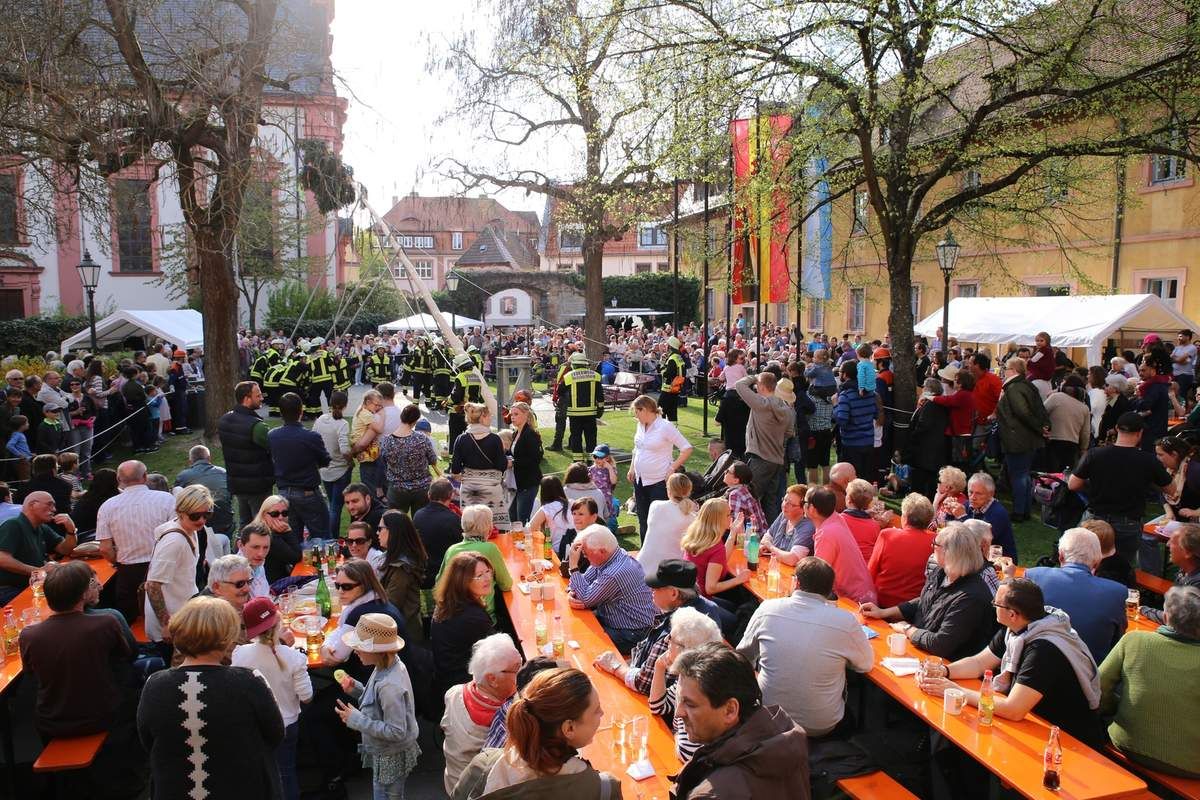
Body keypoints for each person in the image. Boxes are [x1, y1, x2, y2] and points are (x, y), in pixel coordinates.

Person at [916, 578, 1106, 750]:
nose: (993, 605)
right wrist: (944, 671)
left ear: (1013, 614)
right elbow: (979, 663)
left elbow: (1014, 709)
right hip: (1034, 722)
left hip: (1067, 740)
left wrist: (955, 691)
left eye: (996, 603)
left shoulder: (1043, 650)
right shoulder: (1019, 628)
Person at [138, 596, 284, 799]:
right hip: (244, 787)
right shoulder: (249, 681)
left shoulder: (154, 685)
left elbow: (147, 740)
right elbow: (275, 734)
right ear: (227, 637)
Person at [738, 556, 873, 738]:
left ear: (796, 582)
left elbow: (742, 657)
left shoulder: (767, 608)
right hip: (821, 726)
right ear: (830, 591)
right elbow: (865, 664)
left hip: (770, 716)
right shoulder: (845, 621)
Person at [671, 642, 811, 800]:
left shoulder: (712, 794)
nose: (678, 713)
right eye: (679, 700)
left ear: (730, 710)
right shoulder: (782, 739)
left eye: (690, 704)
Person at [19, 560, 133, 737]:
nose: (99, 587)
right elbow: (128, 655)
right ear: (84, 594)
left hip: (50, 723)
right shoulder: (106, 622)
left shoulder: (28, 635)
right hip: (104, 717)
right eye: (93, 584)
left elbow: (31, 674)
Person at [1099, 586, 1200, 778]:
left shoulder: (1134, 640)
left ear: (1166, 617)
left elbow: (1098, 687)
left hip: (1127, 744)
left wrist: (1117, 709)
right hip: (1191, 764)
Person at [593, 559, 733, 693]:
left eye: (656, 588)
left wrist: (615, 666)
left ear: (673, 593)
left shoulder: (677, 630)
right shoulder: (705, 607)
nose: (651, 591)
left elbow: (644, 684)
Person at [860, 522, 994, 660]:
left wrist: (907, 629)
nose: (932, 547)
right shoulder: (942, 573)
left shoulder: (970, 597)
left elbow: (940, 644)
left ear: (949, 553)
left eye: (935, 544)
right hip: (919, 651)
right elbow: (925, 600)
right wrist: (883, 612)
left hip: (943, 664)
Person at [478, 668, 619, 798]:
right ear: (569, 728)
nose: (602, 713)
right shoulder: (602, 790)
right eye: (596, 710)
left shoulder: (482, 767)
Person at [333, 613, 423, 800]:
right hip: (385, 752)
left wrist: (357, 720)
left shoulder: (389, 685)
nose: (355, 651)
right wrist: (357, 689)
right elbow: (377, 702)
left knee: (387, 795)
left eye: (359, 647)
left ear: (378, 651)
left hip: (391, 755)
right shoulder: (388, 666)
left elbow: (396, 732)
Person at [232, 597, 313, 800]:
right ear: (279, 623)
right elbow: (307, 697)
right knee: (286, 772)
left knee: (261, 774)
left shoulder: (239, 654)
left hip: (255, 725)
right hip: (286, 724)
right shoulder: (295, 658)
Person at [1069, 412, 1171, 566]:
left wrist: (1091, 486)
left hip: (1095, 517)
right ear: (1140, 433)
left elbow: (1073, 484)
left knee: (1085, 562)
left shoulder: (1095, 454)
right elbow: (1171, 489)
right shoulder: (1148, 460)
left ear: (1117, 428)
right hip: (1128, 522)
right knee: (1120, 567)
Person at [1026, 527, 1127, 663]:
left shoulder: (1034, 576)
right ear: (1097, 562)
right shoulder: (1117, 592)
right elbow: (1117, 641)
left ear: (1060, 556)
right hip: (1090, 671)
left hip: (1034, 664)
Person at [441, 633, 523, 794]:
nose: (522, 672)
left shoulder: (454, 693)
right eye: (517, 668)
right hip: (475, 792)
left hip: (452, 782)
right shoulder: (507, 715)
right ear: (492, 679)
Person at [645, 608, 725, 762]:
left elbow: (687, 754)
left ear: (685, 650)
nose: (666, 641)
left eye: (671, 638)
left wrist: (674, 733)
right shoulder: (686, 676)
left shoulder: (697, 688)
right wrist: (659, 666)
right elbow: (658, 706)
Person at [567, 524, 656, 652]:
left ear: (602, 551)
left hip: (631, 634)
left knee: (582, 639)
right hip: (615, 621)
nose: (584, 556)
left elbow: (585, 599)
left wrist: (573, 567)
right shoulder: (611, 556)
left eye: (586, 553)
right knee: (576, 625)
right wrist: (571, 593)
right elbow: (582, 584)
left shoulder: (614, 573)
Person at [144, 486, 212, 645]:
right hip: (171, 626)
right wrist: (166, 624)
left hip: (183, 616)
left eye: (207, 514)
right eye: (195, 516)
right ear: (180, 512)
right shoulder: (174, 541)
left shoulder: (191, 529)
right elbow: (152, 585)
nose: (201, 520)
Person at [321, 559, 407, 674]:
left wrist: (323, 647)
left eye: (347, 586)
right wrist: (327, 643)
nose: (340, 591)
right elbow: (340, 630)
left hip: (378, 678)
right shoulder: (378, 600)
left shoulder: (360, 614)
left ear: (364, 585)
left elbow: (336, 656)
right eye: (337, 585)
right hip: (401, 670)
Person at [267, 392, 331, 541]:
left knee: (292, 537)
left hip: (284, 492)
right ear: (301, 411)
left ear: (281, 413)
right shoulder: (311, 437)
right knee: (321, 536)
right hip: (307, 492)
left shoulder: (272, 436)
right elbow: (325, 460)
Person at [628, 395, 693, 538]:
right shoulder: (640, 425)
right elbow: (637, 448)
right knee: (643, 519)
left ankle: (660, 549)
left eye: (637, 412)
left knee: (658, 521)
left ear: (645, 410)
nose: (635, 416)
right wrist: (632, 468)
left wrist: (672, 468)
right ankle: (645, 549)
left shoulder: (665, 426)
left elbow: (687, 448)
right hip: (640, 480)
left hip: (658, 482)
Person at [432, 552, 498, 692]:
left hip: (445, 678)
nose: (487, 578)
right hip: (465, 687)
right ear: (462, 581)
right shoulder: (473, 618)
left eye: (488, 571)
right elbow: (498, 655)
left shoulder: (446, 604)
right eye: (479, 575)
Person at [734, 371, 794, 522]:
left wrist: (756, 376)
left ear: (761, 386)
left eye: (757, 385)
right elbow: (789, 433)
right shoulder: (787, 409)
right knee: (770, 501)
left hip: (760, 458)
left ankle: (748, 530)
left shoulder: (761, 404)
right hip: (777, 460)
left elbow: (739, 385)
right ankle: (771, 532)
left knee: (748, 498)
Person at [437, 505, 514, 622]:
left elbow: (439, 581)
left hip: (453, 613)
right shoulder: (490, 548)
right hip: (483, 615)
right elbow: (506, 584)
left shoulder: (452, 549)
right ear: (488, 527)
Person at [995, 357, 1049, 522]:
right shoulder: (1027, 386)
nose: (1004, 371)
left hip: (1018, 438)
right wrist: (1044, 427)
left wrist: (1040, 428)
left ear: (1013, 370)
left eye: (1006, 368)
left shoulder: (1014, 388)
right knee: (1023, 475)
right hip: (1027, 438)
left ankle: (1019, 511)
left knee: (1019, 476)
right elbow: (1039, 410)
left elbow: (1023, 412)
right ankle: (1024, 510)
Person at [0, 491, 78, 604]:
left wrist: (71, 529)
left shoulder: (41, 527)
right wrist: (39, 571)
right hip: (11, 590)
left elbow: (65, 550)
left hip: (33, 587)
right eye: (49, 504)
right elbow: (2, 559)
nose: (54, 509)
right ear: (32, 505)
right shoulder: (13, 525)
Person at [217, 381, 276, 527]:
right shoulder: (256, 426)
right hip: (258, 485)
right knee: (262, 525)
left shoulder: (224, 421)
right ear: (246, 398)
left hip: (237, 483)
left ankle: (244, 542)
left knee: (245, 523)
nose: (262, 398)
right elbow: (273, 448)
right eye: (258, 395)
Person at [805, 486, 877, 604]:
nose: (802, 505)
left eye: (804, 502)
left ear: (812, 509)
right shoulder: (836, 519)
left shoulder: (827, 534)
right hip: (864, 595)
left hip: (855, 603)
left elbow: (817, 577)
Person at [868, 493, 938, 608]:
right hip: (914, 606)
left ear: (904, 517)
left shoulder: (887, 535)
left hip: (884, 603)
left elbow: (871, 572)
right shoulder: (936, 541)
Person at [413, 478, 465, 617]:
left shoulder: (418, 515)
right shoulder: (454, 519)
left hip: (423, 573)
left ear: (429, 495)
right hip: (446, 576)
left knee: (429, 613)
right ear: (451, 496)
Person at [451, 403, 509, 526]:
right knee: (494, 527)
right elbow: (501, 466)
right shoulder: (495, 439)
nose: (491, 417)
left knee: (471, 526)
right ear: (482, 417)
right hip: (492, 489)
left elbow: (455, 468)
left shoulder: (461, 439)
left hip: (469, 491)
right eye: (489, 415)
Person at [380, 403, 439, 517]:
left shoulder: (386, 441)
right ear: (415, 421)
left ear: (401, 417)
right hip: (422, 488)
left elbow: (383, 462)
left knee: (395, 522)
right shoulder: (422, 439)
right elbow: (433, 460)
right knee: (420, 523)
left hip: (397, 489)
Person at [378, 510, 428, 644]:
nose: (377, 533)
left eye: (380, 528)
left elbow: (390, 605)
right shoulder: (393, 559)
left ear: (393, 531)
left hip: (402, 637)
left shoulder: (402, 568)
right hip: (398, 631)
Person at [637, 473, 697, 577]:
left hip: (644, 566)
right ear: (689, 491)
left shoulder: (655, 506)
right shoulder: (692, 518)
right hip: (670, 571)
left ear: (668, 490)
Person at [1141, 525, 1200, 624]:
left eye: (1172, 542)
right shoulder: (1185, 571)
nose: (1167, 544)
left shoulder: (1196, 584)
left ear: (1187, 553)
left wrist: (1142, 610)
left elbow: (1177, 620)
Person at [314, 390, 354, 536]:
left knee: (332, 506)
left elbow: (314, 439)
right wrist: (351, 462)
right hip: (340, 470)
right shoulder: (342, 424)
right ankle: (333, 538)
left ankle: (330, 537)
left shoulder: (320, 419)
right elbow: (344, 450)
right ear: (345, 405)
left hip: (325, 470)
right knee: (336, 508)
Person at [904, 379, 950, 499]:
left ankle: (917, 501)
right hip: (933, 449)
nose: (922, 388)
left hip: (925, 450)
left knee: (920, 480)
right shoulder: (939, 403)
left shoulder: (931, 404)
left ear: (930, 389)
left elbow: (923, 425)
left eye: (924, 386)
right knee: (929, 481)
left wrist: (913, 436)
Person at [174, 445, 233, 536]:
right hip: (225, 523)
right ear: (209, 458)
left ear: (190, 461)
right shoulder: (223, 472)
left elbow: (178, 500)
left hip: (198, 525)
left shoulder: (183, 476)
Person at [761, 483, 816, 566]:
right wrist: (762, 548)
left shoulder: (808, 526)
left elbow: (793, 559)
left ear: (803, 509)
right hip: (776, 568)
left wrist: (770, 547)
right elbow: (765, 539)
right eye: (785, 500)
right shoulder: (784, 515)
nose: (785, 505)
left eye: (791, 504)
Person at [251, 495, 303, 582]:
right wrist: (288, 532)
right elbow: (296, 558)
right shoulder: (266, 535)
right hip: (273, 584)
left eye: (284, 513)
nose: (280, 517)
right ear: (264, 515)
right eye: (274, 514)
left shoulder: (268, 529)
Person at [507, 401, 543, 524]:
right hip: (517, 483)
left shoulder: (531, 434)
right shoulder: (515, 433)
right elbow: (514, 453)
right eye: (511, 414)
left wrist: (513, 463)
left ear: (526, 415)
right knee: (512, 516)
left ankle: (524, 537)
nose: (512, 417)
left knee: (521, 519)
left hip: (528, 483)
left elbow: (535, 459)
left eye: (516, 414)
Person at [1043, 385, 1092, 471]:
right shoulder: (1084, 408)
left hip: (1052, 440)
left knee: (1050, 472)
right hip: (1072, 444)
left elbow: (1041, 412)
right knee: (1066, 473)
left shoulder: (1056, 397)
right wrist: (1083, 449)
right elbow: (1085, 432)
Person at [842, 478, 882, 562]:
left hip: (846, 563)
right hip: (867, 565)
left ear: (848, 500)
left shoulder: (840, 520)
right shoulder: (874, 525)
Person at [722, 459, 767, 532]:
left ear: (736, 480)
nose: (725, 472)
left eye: (728, 471)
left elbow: (736, 523)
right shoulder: (747, 489)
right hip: (761, 532)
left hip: (751, 536)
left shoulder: (735, 494)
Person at [237, 523, 274, 598]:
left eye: (265, 547)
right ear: (240, 545)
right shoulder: (234, 573)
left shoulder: (258, 564)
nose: (261, 554)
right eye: (255, 547)